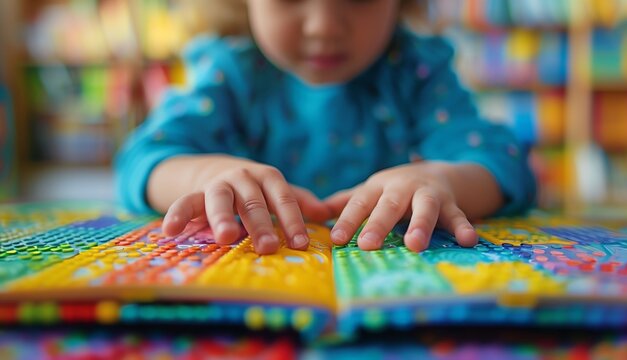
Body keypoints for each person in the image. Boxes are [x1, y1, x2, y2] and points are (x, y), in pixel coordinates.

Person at [115, 0, 536, 255]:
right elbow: (146, 158)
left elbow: (503, 163)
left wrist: (441, 179)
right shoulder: (230, 73)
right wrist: (205, 176)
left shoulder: (415, 70)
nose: (324, 26)